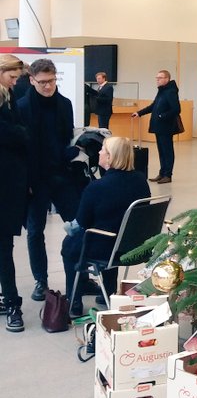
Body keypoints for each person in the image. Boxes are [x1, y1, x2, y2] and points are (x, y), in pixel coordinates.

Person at [16, 57, 82, 301]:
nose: (48, 86)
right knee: (35, 231)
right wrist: (27, 182)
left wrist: (72, 151)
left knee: (77, 226)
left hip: (61, 175)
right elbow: (22, 149)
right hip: (35, 180)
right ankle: (40, 280)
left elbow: (67, 136)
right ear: (32, 80)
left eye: (51, 81)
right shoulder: (22, 107)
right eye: (42, 82)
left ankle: (81, 276)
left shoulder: (64, 104)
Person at [62, 135, 151, 316]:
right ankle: (108, 294)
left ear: (110, 157)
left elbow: (81, 223)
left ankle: (74, 302)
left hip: (105, 248)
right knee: (115, 234)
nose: (100, 152)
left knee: (69, 245)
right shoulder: (141, 181)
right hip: (131, 246)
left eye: (103, 149)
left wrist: (68, 227)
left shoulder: (97, 188)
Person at [0, 55, 29, 332]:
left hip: (8, 185)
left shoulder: (8, 97)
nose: (16, 81)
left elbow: (20, 134)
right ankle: (10, 302)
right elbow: (16, 134)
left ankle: (10, 300)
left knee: (4, 247)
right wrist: (18, 133)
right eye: (13, 75)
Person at [132, 69, 182, 183]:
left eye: (160, 78)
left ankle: (168, 175)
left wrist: (161, 116)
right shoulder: (162, 91)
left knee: (167, 151)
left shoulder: (170, 92)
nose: (157, 80)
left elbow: (176, 109)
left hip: (166, 126)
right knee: (161, 150)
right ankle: (162, 173)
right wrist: (139, 113)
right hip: (159, 126)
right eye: (157, 78)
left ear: (167, 79)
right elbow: (153, 106)